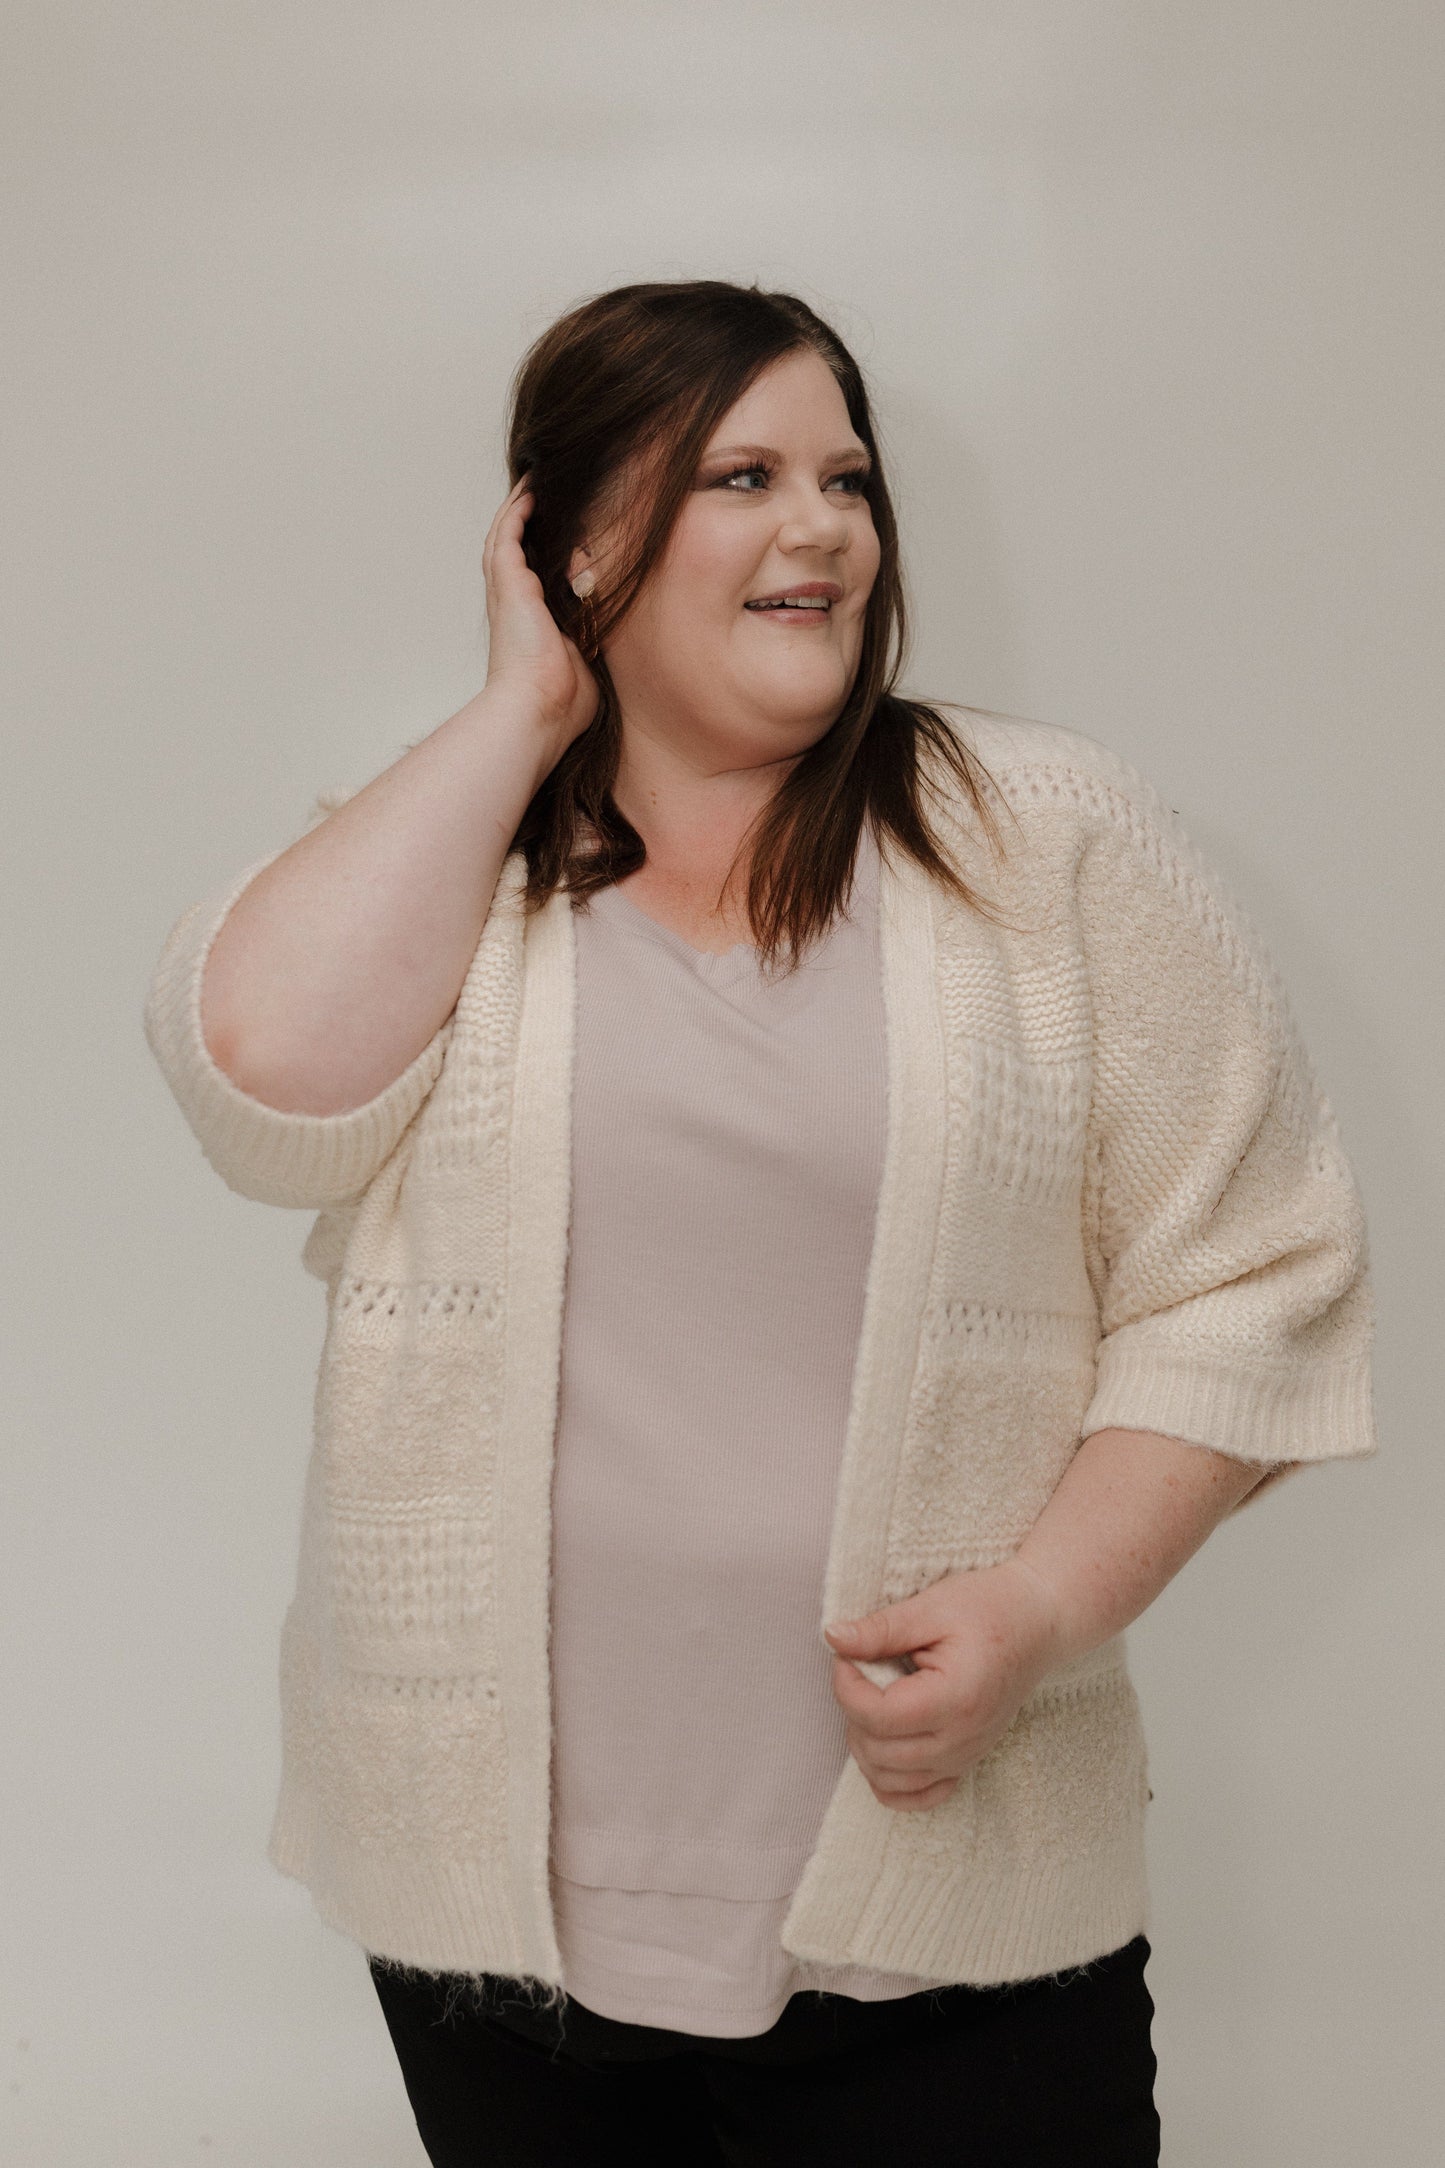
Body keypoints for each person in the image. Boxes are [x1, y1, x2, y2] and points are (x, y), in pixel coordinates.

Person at [142, 280, 1377, 2167]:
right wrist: (517, 708)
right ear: (567, 543)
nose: (822, 527)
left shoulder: (1047, 838)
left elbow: (1251, 1271)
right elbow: (259, 1085)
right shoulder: (462, 866)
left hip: (954, 1916)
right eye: (740, 473)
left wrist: (1043, 1606)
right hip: (507, 1940)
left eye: (846, 478)